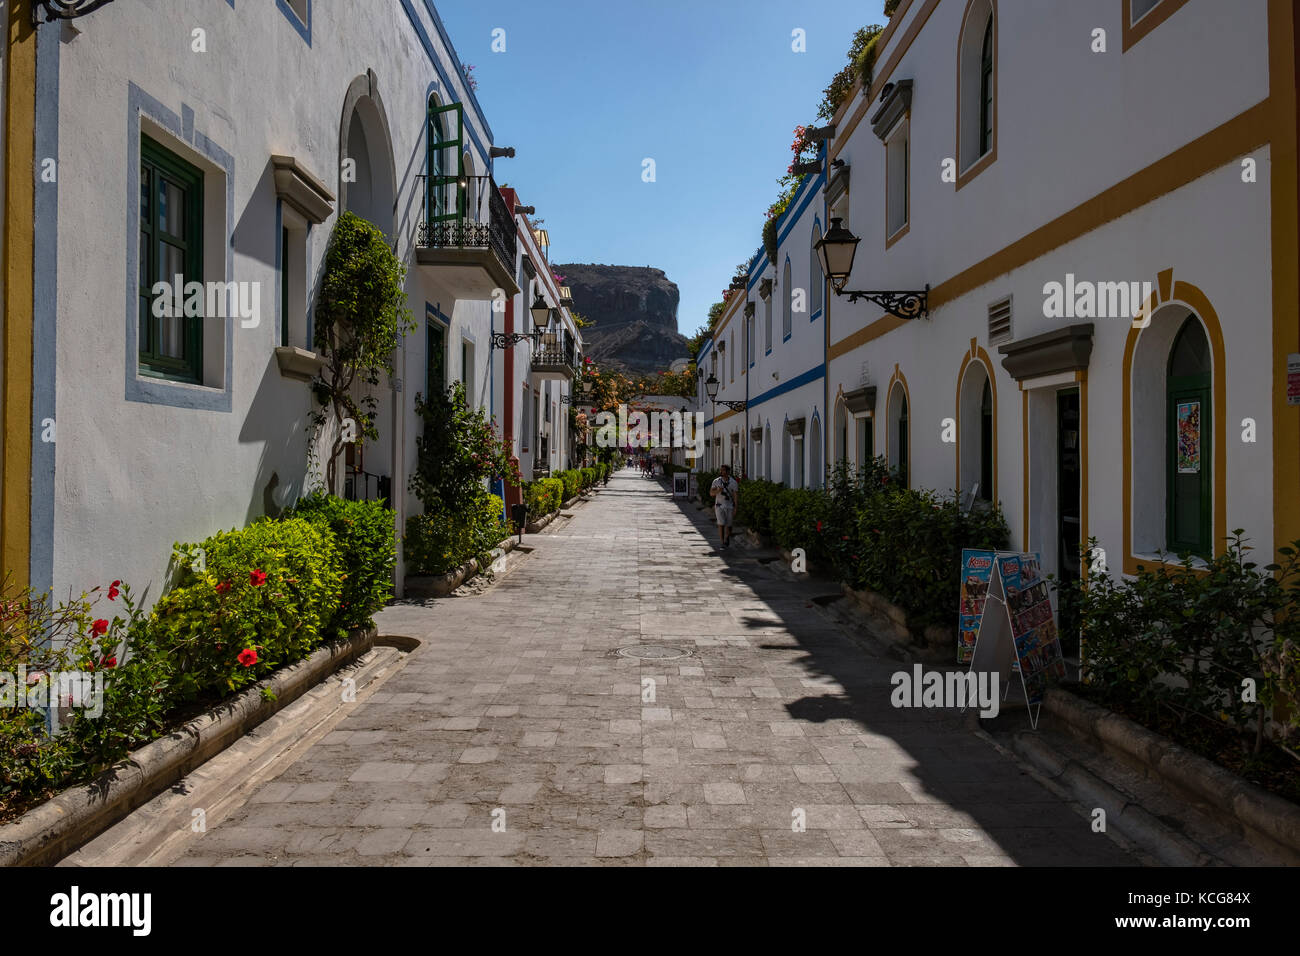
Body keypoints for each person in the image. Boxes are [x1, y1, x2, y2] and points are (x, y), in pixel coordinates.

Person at [710, 464, 738, 549]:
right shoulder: (716, 481)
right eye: (721, 470)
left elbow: (735, 495)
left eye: (723, 470)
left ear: (728, 472)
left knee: (729, 525)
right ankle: (722, 542)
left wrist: (736, 507)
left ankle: (727, 538)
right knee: (721, 524)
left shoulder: (733, 482)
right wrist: (718, 490)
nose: (721, 472)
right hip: (719, 505)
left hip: (729, 506)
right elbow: (711, 493)